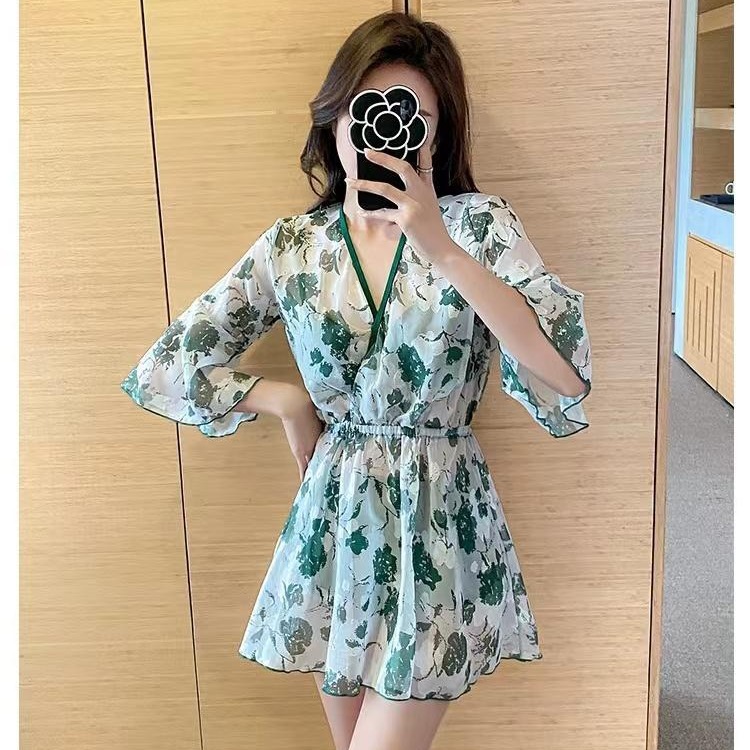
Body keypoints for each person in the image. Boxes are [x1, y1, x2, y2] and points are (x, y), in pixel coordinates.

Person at [120, 11, 592, 750]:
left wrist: (441, 248)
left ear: (436, 134)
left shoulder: (479, 227)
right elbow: (166, 366)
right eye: (364, 111)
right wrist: (283, 400)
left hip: (441, 526)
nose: (382, 134)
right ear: (334, 121)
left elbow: (563, 371)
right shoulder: (294, 247)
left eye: (409, 117)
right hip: (334, 528)